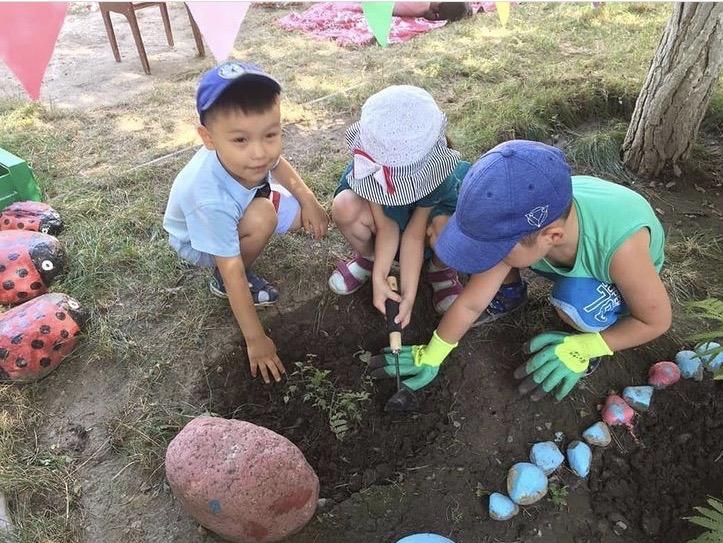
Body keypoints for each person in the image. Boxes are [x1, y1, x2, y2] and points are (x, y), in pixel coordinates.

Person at [371, 140, 671, 411]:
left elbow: (655, 320)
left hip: (617, 277)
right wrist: (433, 352)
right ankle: (512, 294)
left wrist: (587, 346)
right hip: (555, 247)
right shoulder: (525, 221)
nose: (487, 259)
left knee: (573, 301)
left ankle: (598, 326)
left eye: (496, 248)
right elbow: (471, 303)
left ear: (550, 237)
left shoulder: (621, 251)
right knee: (498, 260)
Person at [163, 61, 328, 383]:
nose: (259, 153)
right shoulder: (208, 198)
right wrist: (256, 340)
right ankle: (218, 284)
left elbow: (278, 163)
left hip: (243, 202)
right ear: (208, 138)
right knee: (264, 217)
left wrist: (310, 202)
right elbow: (233, 268)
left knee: (296, 218)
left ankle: (258, 209)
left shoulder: (253, 155)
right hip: (198, 241)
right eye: (240, 141)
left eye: (271, 135)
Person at [327, 85, 470, 327]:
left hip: (426, 224)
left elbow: (414, 236)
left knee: (453, 230)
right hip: (389, 224)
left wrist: (409, 296)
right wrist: (380, 278)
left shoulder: (435, 173)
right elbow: (386, 226)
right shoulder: (371, 163)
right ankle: (369, 259)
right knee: (344, 206)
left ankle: (439, 270)